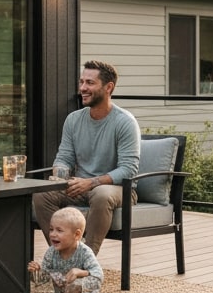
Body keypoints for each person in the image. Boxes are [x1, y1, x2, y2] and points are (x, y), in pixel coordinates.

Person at [32, 60, 140, 253]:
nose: (83, 88)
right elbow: (64, 157)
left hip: (117, 190)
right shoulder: (73, 120)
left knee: (101, 194)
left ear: (108, 87)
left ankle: (87, 259)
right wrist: (60, 176)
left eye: (90, 83)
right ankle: (64, 255)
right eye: (81, 82)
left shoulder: (125, 122)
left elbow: (128, 169)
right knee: (41, 194)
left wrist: (90, 183)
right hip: (80, 185)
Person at [28, 206, 109, 293]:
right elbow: (42, 280)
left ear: (76, 235)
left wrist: (80, 272)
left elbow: (98, 275)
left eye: (59, 231)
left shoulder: (85, 252)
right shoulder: (51, 252)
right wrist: (36, 271)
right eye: (51, 229)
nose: (53, 234)